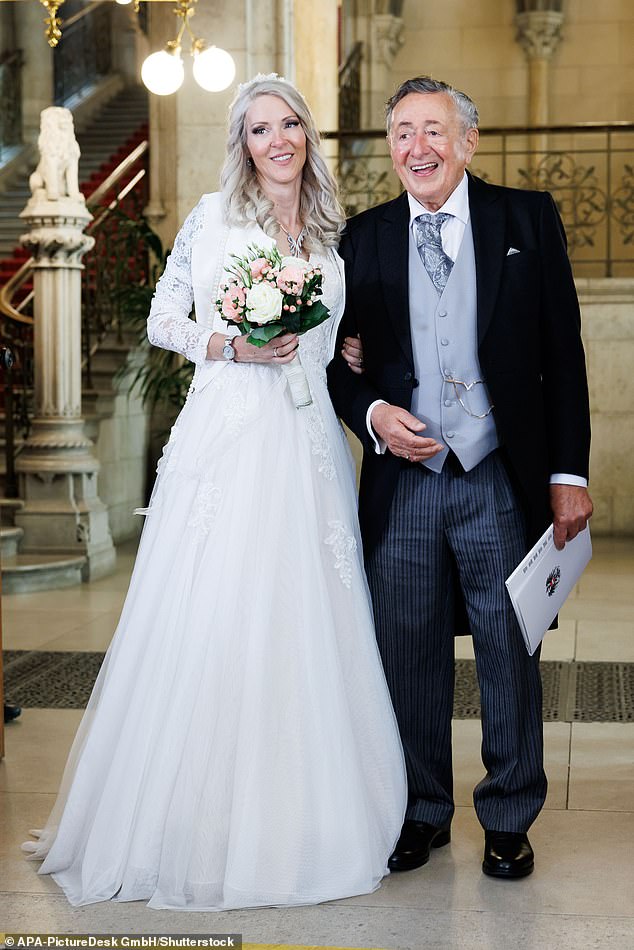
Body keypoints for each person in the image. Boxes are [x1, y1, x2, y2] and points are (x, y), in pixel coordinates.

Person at [23, 74, 406, 910]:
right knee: (222, 612)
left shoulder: (336, 233)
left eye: (289, 125)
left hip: (308, 450)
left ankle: (304, 817)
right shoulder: (213, 215)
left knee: (306, 619)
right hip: (231, 441)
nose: (276, 140)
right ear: (242, 142)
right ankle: (196, 821)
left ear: (306, 135)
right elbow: (165, 318)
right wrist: (230, 344)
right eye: (259, 129)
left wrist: (341, 353)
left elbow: (338, 334)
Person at [327, 75, 592, 880]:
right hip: (403, 483)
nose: (418, 148)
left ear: (468, 141)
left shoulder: (525, 218)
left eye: (434, 131)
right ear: (389, 147)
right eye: (402, 132)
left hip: (497, 473)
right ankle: (421, 809)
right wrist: (372, 414)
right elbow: (336, 365)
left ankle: (510, 815)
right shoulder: (361, 237)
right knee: (406, 646)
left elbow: (562, 355)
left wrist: (567, 472)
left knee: (509, 647)